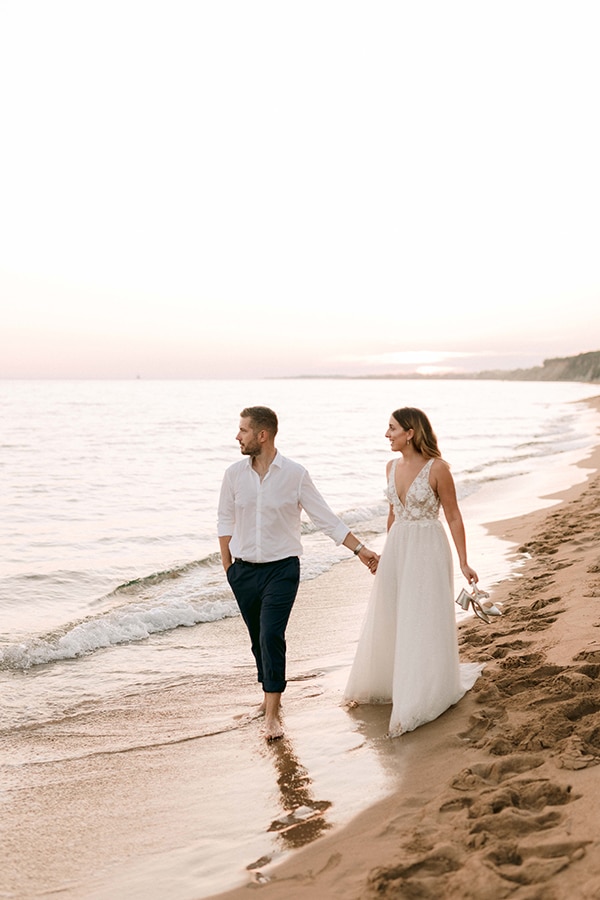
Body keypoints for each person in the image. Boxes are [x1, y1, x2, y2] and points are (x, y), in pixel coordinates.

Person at [218, 406, 379, 741]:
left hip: (282, 570)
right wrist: (228, 567)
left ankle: (272, 715)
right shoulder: (233, 475)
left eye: (243, 430)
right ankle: (267, 698)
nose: (237, 436)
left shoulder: (295, 474)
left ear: (262, 435)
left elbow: (325, 517)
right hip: (243, 572)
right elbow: (224, 520)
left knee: (270, 635)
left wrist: (360, 550)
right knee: (257, 640)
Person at [344, 407, 484, 736]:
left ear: (410, 433)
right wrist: (385, 555)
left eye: (392, 428)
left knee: (423, 616)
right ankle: (395, 681)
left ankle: (425, 690)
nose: (387, 434)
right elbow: (393, 514)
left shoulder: (438, 468)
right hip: (398, 547)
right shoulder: (390, 467)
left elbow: (453, 515)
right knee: (394, 613)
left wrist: (464, 561)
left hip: (428, 548)